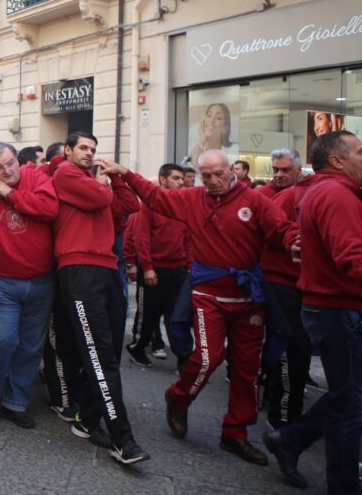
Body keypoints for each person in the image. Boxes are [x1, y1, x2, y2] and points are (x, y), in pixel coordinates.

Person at [117, 150, 297, 466]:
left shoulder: (255, 201)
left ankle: (235, 433)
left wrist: (296, 241)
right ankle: (178, 396)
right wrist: (126, 174)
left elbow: (282, 228)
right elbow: (155, 198)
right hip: (208, 295)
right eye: (206, 175)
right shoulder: (191, 198)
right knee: (206, 359)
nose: (213, 181)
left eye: (219, 174)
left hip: (248, 297)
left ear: (232, 171)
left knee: (247, 369)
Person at [263, 130, 362, 492]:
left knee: (346, 397)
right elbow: (353, 256)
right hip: (336, 308)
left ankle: (289, 439)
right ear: (337, 160)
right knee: (349, 405)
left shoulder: (332, 191)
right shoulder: (335, 194)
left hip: (333, 307)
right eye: (360, 152)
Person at [53, 132, 149, 465]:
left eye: (94, 150)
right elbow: (100, 200)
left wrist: (118, 177)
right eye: (83, 148)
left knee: (107, 352)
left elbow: (130, 205)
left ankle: (87, 418)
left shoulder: (96, 182)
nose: (90, 154)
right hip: (79, 268)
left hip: (107, 267)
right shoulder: (65, 173)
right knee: (99, 354)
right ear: (68, 150)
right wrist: (105, 186)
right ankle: (123, 439)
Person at [0, 143, 58, 430]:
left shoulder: (36, 178)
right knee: (1, 338)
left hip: (40, 279)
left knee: (31, 345)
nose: (8, 170)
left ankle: (17, 401)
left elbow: (49, 209)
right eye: (0, 167)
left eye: (11, 163)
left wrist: (11, 194)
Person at [260, 155, 315, 432]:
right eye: (276, 170)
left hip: (308, 286)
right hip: (281, 283)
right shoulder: (282, 197)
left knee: (298, 348)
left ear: (299, 171)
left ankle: (283, 400)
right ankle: (282, 414)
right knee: (290, 346)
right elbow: (265, 232)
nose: (279, 174)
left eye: (286, 170)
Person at [124, 164, 191, 368]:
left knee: (178, 316)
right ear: (163, 180)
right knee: (148, 315)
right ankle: (137, 348)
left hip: (179, 270)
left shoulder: (184, 205)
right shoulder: (149, 205)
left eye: (182, 178)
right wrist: (147, 266)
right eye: (176, 178)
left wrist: (189, 266)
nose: (181, 182)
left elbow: (188, 238)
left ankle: (184, 358)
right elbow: (141, 236)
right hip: (154, 270)